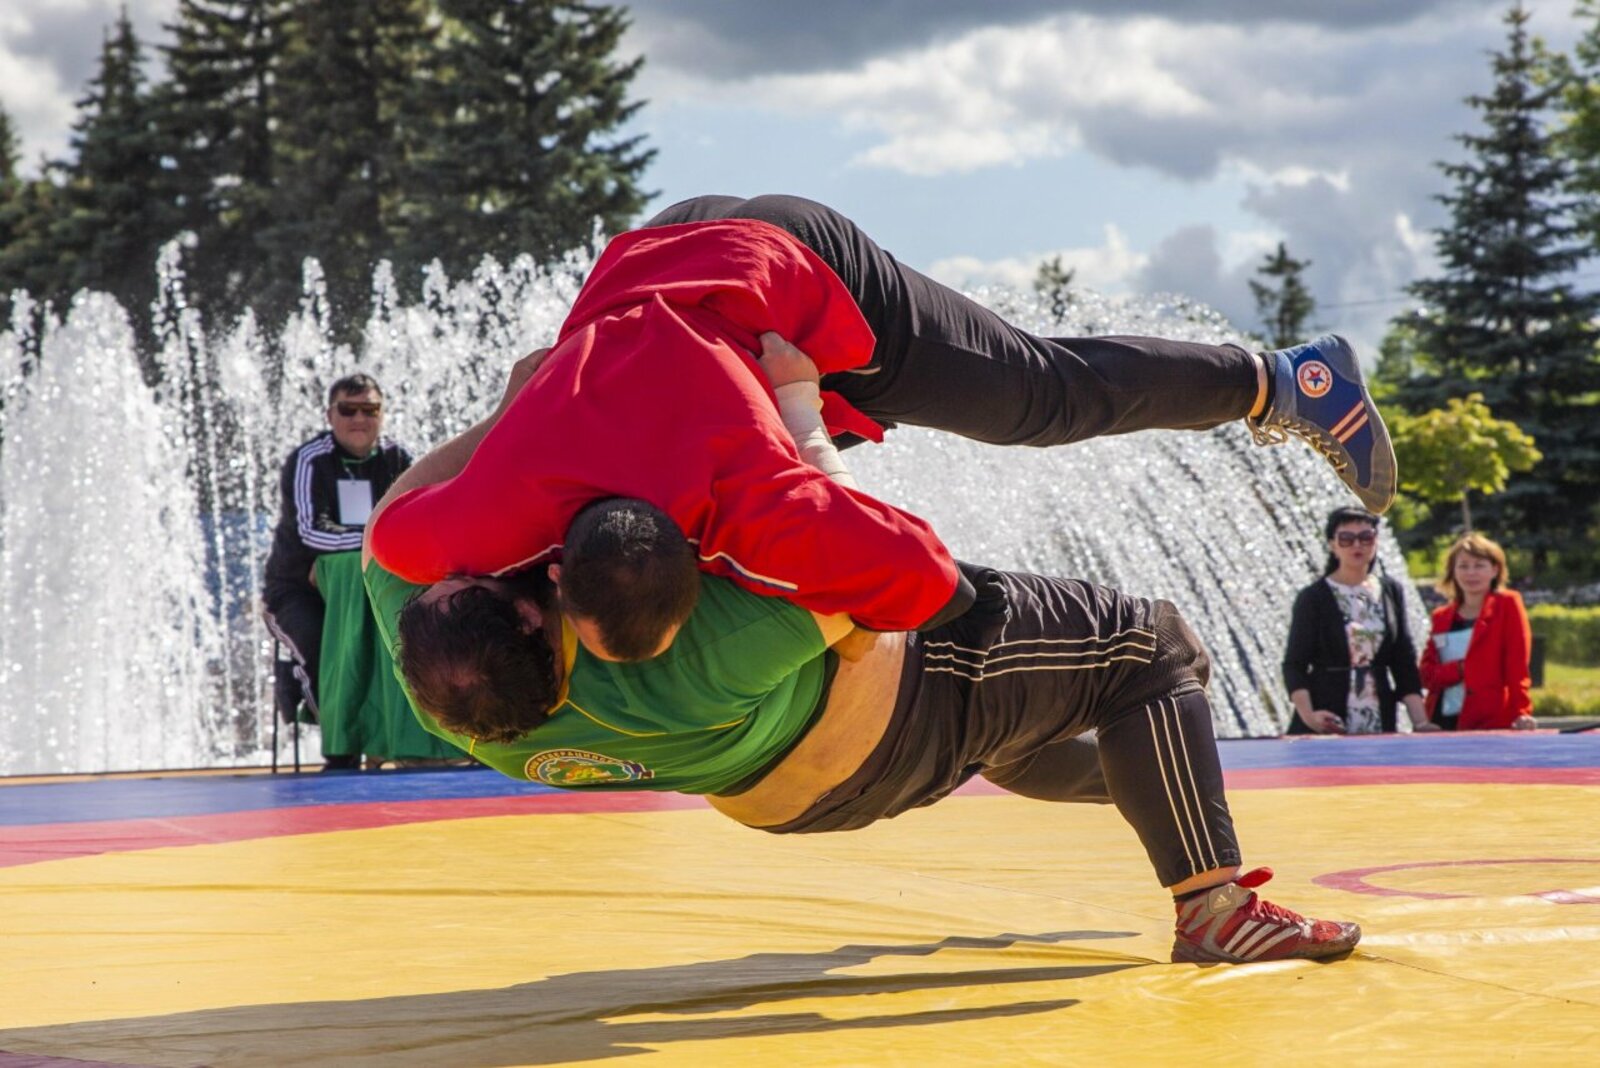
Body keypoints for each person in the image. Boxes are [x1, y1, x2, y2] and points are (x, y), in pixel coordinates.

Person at [359, 359, 1360, 967]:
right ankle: (1214, 910)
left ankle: (1150, 784)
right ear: (549, 624)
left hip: (786, 800)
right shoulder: (699, 650)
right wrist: (794, 404)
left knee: (1018, 714)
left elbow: (405, 533)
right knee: (1152, 648)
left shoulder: (455, 681)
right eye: (496, 578)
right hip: (905, 708)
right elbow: (869, 564)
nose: (475, 566)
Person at [368, 194, 1397, 663]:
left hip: (789, 273)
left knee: (1041, 403)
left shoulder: (753, 489)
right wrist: (511, 406)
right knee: (907, 414)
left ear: (552, 582)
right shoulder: (477, 519)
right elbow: (394, 522)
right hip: (670, 259)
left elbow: (927, 584)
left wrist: (803, 413)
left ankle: (1287, 379)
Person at [263, 373, 411, 769]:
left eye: (370, 410)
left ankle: (400, 743)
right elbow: (311, 532)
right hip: (299, 590)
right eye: (348, 409)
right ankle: (338, 741)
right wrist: (378, 538)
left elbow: (416, 518)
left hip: (370, 591)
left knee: (413, 639)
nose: (359, 419)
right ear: (331, 415)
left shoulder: (399, 459)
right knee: (320, 650)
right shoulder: (309, 459)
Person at [1282, 507, 1435, 735]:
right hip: (1327, 717)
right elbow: (1294, 665)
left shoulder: (1390, 591)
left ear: (1376, 542)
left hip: (1379, 715)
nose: (1357, 545)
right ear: (1332, 545)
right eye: (1346, 538)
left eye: (1366, 537)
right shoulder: (1314, 597)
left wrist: (1421, 722)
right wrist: (1309, 716)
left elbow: (1404, 661)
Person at [1419, 533, 1535, 731]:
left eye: (1479, 565)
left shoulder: (1508, 605)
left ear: (1495, 570)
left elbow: (1517, 666)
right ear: (1453, 571)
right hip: (1443, 722)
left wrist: (1521, 712)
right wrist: (1459, 670)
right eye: (1463, 566)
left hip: (1492, 721)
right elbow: (1426, 675)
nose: (1471, 573)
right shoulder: (1441, 617)